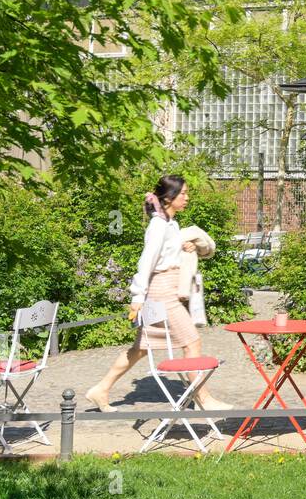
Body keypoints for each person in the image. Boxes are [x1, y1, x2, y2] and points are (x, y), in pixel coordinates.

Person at [84, 175, 232, 413]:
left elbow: (168, 255)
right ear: (169, 197)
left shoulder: (171, 225)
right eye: (183, 193)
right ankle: (203, 398)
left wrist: (189, 248)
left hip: (169, 288)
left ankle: (100, 389)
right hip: (162, 292)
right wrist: (137, 298)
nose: (187, 197)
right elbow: (146, 262)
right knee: (192, 342)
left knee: (141, 349)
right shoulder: (158, 226)